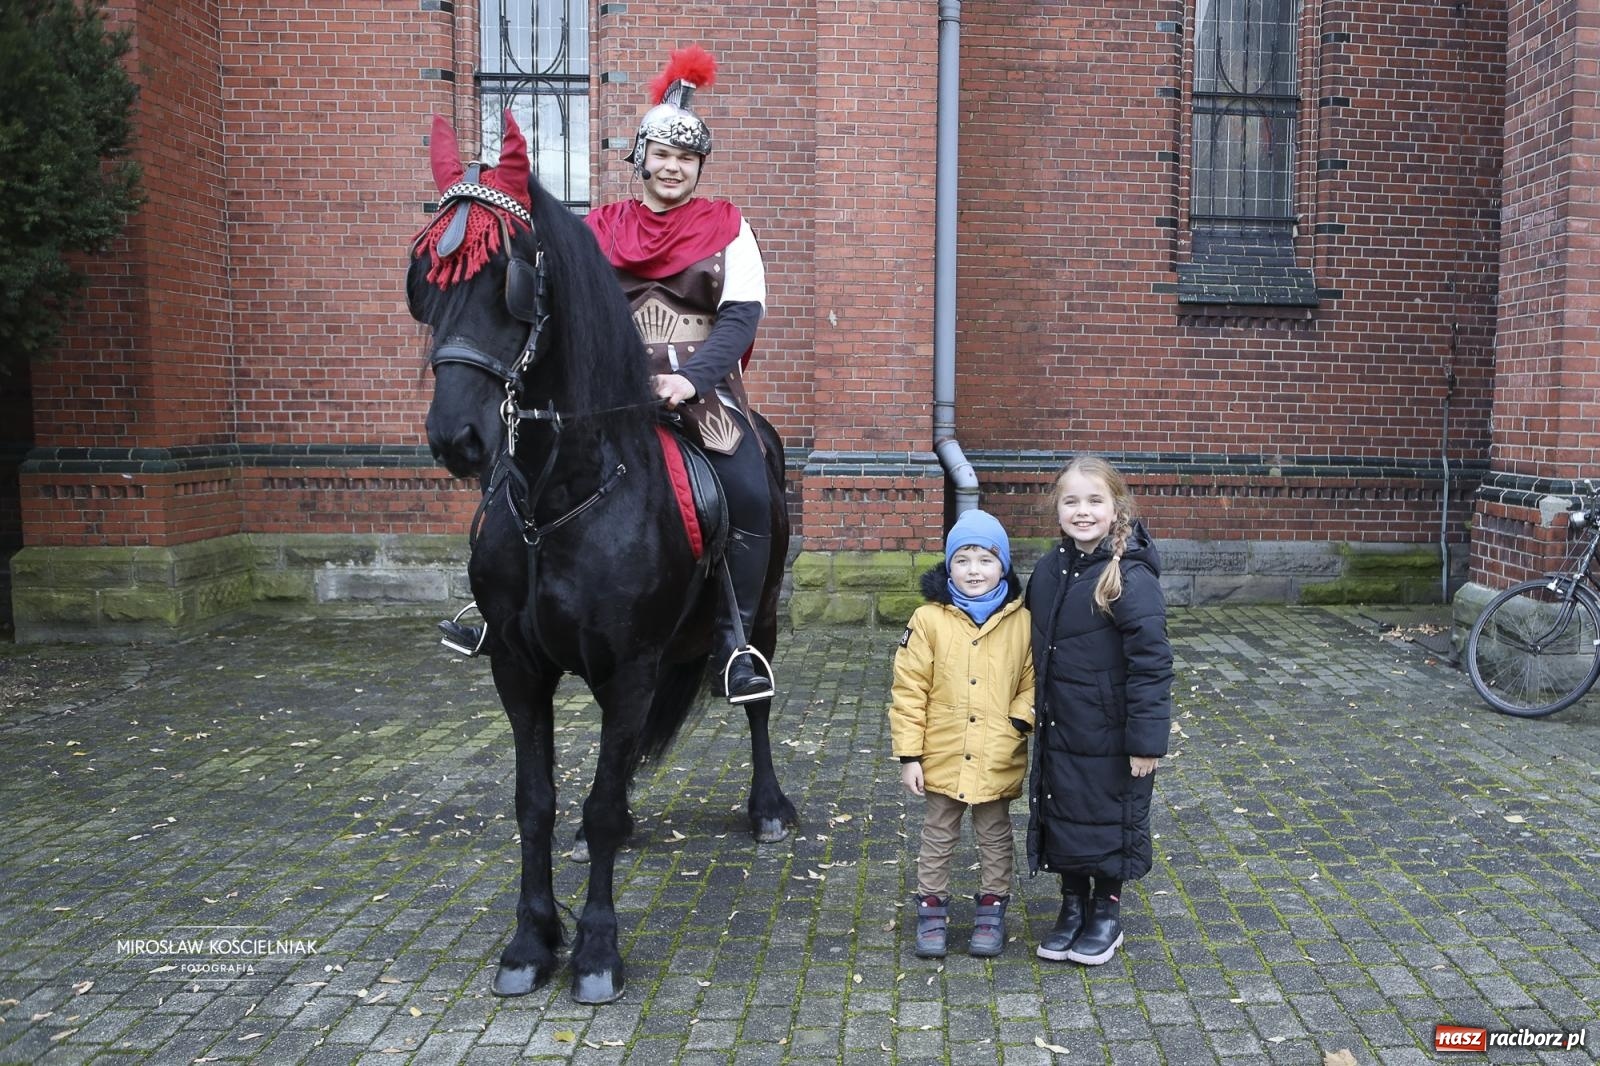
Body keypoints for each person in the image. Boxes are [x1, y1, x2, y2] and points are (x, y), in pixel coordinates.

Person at [586, 46, 777, 704]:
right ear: (641, 157)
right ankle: (506, 611)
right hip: (609, 395)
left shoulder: (729, 228)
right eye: (662, 154)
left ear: (698, 166)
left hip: (702, 395)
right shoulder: (600, 227)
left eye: (686, 158)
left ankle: (736, 643)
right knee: (530, 464)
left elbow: (740, 318)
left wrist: (690, 380)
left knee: (750, 491)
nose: (673, 168)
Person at [1026, 456, 1173, 966]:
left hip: (1112, 733)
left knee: (1108, 814)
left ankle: (1106, 910)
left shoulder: (1129, 576)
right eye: (1071, 501)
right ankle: (1072, 905)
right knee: (1064, 808)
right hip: (1060, 722)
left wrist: (1146, 741)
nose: (1082, 511)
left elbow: (1152, 664)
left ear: (1116, 509)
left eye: (1094, 501)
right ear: (1057, 509)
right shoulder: (1047, 571)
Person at [888, 509, 1035, 958]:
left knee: (995, 834)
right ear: (948, 565)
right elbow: (909, 689)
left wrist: (1018, 720)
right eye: (963, 560)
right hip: (942, 752)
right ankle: (931, 907)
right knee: (938, 833)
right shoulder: (928, 620)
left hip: (997, 750)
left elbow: (1032, 679)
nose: (974, 570)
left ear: (1003, 566)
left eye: (986, 560)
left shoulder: (1022, 621)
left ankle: (992, 908)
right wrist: (909, 755)